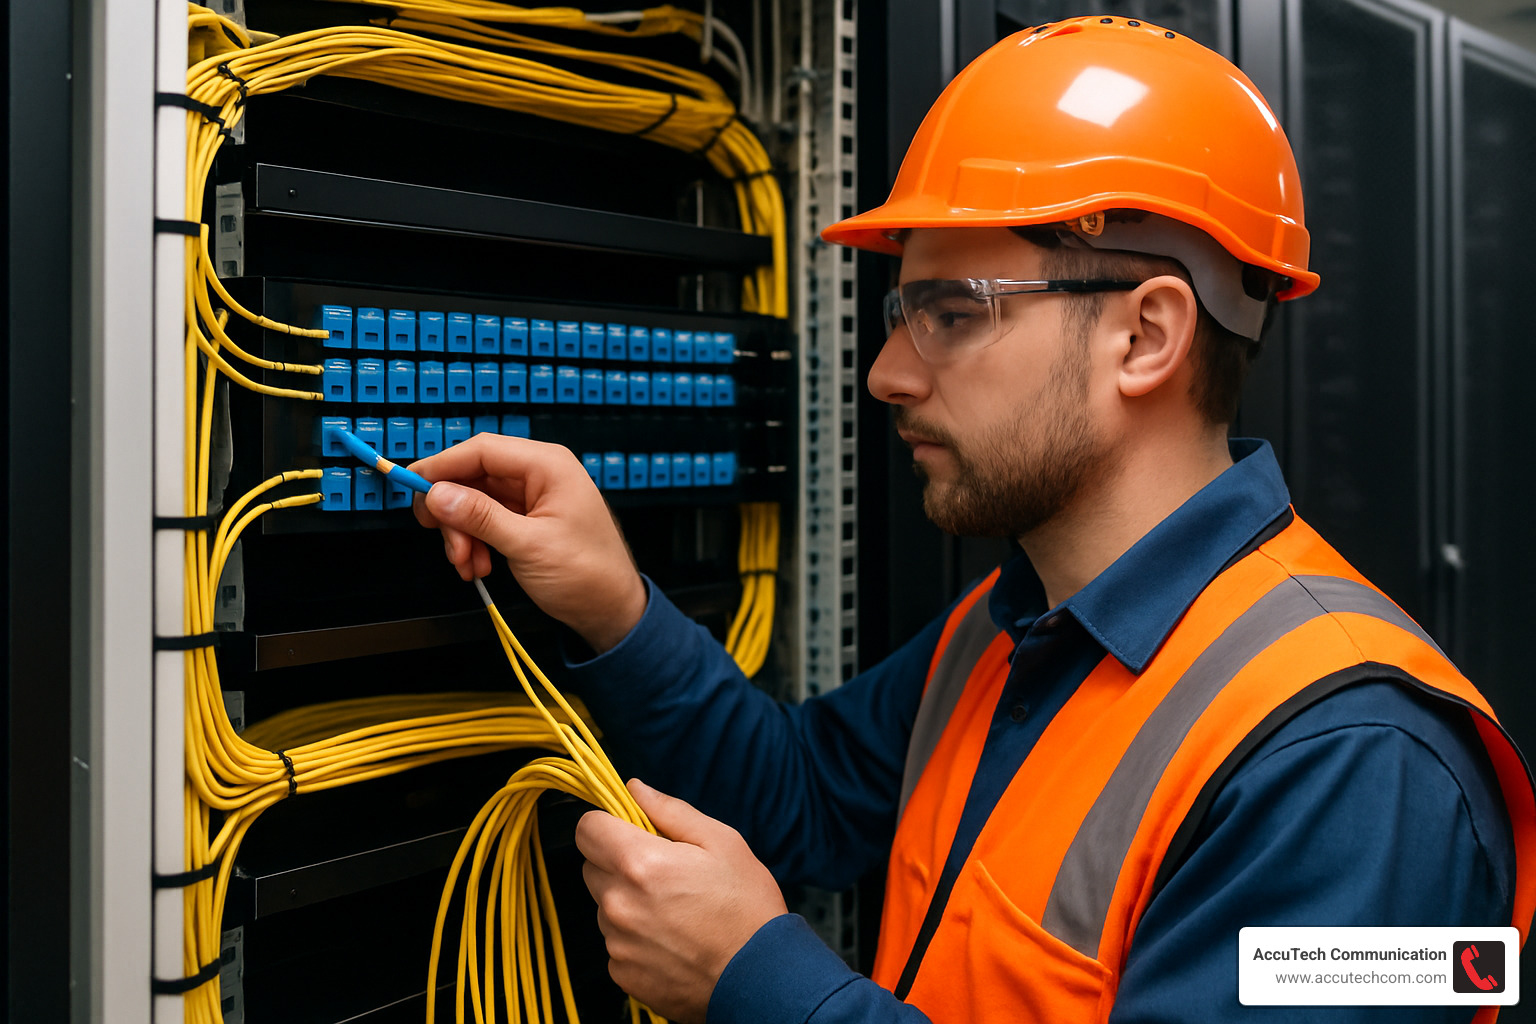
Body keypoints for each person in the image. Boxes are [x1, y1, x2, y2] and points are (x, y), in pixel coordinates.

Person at [411, 17, 1534, 1024]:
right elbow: (797, 798)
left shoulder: (1365, 770)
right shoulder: (1009, 632)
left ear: (1146, 336)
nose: (887, 372)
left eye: (951, 312)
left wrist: (759, 981)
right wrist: (613, 605)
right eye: (907, 312)